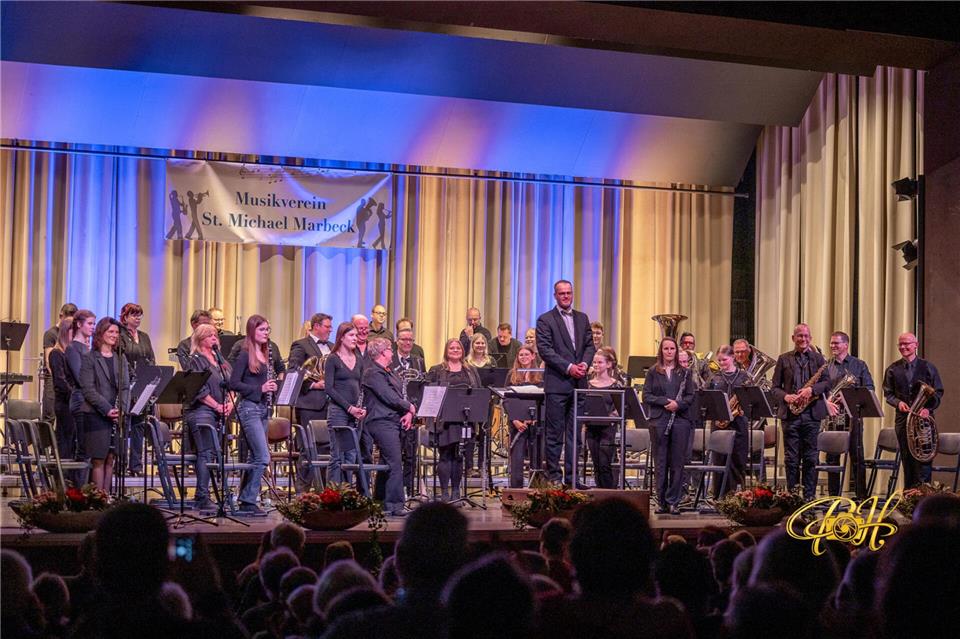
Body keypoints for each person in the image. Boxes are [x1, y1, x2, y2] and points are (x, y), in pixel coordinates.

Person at [536, 280, 597, 485]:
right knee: (554, 434)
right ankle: (554, 477)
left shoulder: (582, 318)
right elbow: (546, 351)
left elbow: (590, 345)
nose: (565, 296)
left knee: (575, 435)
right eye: (561, 293)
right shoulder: (545, 320)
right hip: (557, 384)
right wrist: (570, 367)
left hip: (579, 384)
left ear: (572, 294)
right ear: (555, 296)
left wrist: (584, 364)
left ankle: (572, 478)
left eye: (568, 293)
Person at [229, 315, 283, 515]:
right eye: (262, 330)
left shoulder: (266, 353)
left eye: (268, 330)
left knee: (254, 456)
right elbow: (234, 383)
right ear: (252, 331)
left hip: (262, 409)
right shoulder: (244, 354)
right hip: (249, 408)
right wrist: (260, 388)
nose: (266, 333)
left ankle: (246, 501)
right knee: (262, 456)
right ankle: (249, 499)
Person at [770, 324, 831, 500]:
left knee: (811, 458)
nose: (803, 339)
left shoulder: (819, 359)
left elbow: (827, 383)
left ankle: (809, 498)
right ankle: (793, 496)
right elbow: (774, 388)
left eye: (806, 336)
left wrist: (811, 391)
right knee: (791, 459)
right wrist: (786, 396)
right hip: (790, 415)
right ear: (793, 338)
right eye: (799, 336)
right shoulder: (784, 359)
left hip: (812, 415)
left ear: (810, 338)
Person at [362, 337, 417, 516]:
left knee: (387, 461)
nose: (392, 352)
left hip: (393, 420)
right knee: (394, 461)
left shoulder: (389, 372)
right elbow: (388, 396)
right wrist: (408, 407)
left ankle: (381, 501)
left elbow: (401, 394)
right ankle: (395, 504)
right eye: (390, 349)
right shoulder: (372, 373)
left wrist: (408, 413)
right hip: (380, 422)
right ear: (382, 352)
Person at [882, 332, 944, 488]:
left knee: (924, 459)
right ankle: (909, 498)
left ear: (915, 345)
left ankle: (924, 498)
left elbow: (938, 392)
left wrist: (928, 409)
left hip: (923, 421)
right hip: (903, 421)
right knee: (907, 459)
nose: (903, 347)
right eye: (900, 344)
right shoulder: (892, 369)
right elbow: (888, 394)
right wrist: (898, 403)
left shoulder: (928, 367)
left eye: (907, 344)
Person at [643, 337, 696, 514]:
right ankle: (661, 502)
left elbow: (690, 396)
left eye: (672, 348)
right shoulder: (653, 371)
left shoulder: (685, 373)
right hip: (659, 420)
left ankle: (673, 501)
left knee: (677, 462)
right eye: (666, 348)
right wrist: (665, 402)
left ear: (676, 350)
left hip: (680, 421)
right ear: (661, 351)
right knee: (660, 462)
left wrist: (677, 405)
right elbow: (647, 396)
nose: (669, 352)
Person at [78, 317, 131, 493]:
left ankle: (107, 498)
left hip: (116, 415)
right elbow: (88, 389)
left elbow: (124, 387)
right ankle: (98, 500)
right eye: (111, 332)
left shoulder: (120, 358)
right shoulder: (90, 358)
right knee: (98, 459)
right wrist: (107, 409)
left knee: (111, 459)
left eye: (116, 332)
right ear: (101, 333)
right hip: (95, 414)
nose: (115, 335)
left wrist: (121, 409)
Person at [184, 324, 234, 511]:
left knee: (216, 452)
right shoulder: (195, 360)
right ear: (199, 339)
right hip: (201, 411)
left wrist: (230, 402)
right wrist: (217, 405)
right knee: (206, 452)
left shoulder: (221, 361)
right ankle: (201, 496)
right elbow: (199, 389)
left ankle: (218, 494)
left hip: (221, 412)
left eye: (215, 335)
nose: (214, 338)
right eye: (209, 335)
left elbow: (231, 384)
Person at [426, 338, 482, 502]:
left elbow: (478, 392)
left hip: (464, 420)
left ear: (463, 351)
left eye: (458, 348)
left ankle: (456, 491)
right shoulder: (437, 370)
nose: (455, 350)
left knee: (459, 456)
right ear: (446, 350)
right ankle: (444, 492)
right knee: (445, 455)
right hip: (444, 421)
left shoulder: (470, 371)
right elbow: (430, 393)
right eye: (452, 347)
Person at [823, 331, 875, 498]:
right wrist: (828, 400)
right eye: (831, 343)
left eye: (836, 343)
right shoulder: (825, 365)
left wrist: (846, 397)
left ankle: (861, 496)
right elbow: (820, 389)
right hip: (832, 416)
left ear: (846, 344)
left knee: (857, 456)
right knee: (831, 458)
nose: (833, 346)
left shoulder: (859, 365)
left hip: (852, 416)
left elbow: (869, 388)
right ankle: (833, 496)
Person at [324, 322, 367, 485]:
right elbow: (329, 389)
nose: (355, 338)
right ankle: (333, 494)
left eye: (356, 335)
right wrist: (349, 408)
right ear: (341, 338)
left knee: (350, 456)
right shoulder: (333, 359)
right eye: (351, 335)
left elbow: (362, 387)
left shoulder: (359, 359)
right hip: (338, 412)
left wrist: (362, 409)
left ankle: (347, 493)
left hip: (355, 413)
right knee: (337, 456)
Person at [706, 345, 750, 496]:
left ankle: (737, 496)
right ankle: (720, 496)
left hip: (739, 423)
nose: (722, 363)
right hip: (719, 424)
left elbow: (752, 400)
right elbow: (707, 400)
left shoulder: (744, 377)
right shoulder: (714, 378)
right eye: (719, 360)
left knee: (738, 461)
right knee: (719, 459)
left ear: (732, 358)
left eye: (724, 359)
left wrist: (744, 408)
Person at [118, 303, 155, 477]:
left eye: (140, 315)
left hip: (143, 385)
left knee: (139, 425)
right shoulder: (120, 335)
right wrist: (134, 377)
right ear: (125, 317)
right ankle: (122, 463)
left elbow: (151, 358)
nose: (138, 318)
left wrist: (149, 377)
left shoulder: (144, 336)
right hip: (128, 384)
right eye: (134, 315)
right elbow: (122, 358)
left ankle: (136, 465)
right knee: (125, 425)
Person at [48, 318, 84, 486]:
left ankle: (72, 481)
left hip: (72, 404)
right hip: (64, 404)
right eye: (73, 331)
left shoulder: (71, 353)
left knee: (73, 442)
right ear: (66, 332)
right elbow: (60, 382)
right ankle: (63, 481)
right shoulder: (56, 353)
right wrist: (78, 395)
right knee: (66, 442)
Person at [584, 347, 624, 489]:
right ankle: (600, 494)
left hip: (608, 428)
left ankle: (608, 493)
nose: (596, 365)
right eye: (594, 362)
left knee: (604, 462)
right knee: (596, 464)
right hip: (591, 427)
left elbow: (622, 407)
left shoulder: (616, 385)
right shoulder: (587, 384)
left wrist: (614, 414)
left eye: (600, 362)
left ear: (608, 364)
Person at [392, 327, 426, 496]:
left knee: (411, 456)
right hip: (395, 412)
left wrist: (415, 410)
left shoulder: (417, 361)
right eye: (404, 339)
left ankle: (410, 490)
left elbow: (421, 387)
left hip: (412, 413)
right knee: (396, 454)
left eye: (410, 340)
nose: (407, 343)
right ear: (397, 341)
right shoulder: (390, 360)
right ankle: (397, 491)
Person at [506, 345, 544, 488]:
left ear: (533, 356)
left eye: (526, 354)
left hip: (536, 422)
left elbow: (545, 398)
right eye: (520, 355)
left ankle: (536, 490)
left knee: (537, 458)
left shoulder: (541, 374)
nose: (523, 357)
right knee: (517, 459)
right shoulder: (511, 374)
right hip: (517, 424)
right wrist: (515, 419)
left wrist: (535, 417)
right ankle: (516, 490)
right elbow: (506, 399)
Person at [66, 309, 96, 475]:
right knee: (83, 449)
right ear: (79, 324)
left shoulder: (86, 348)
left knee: (90, 450)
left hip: (89, 401)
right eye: (90, 323)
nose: (93, 327)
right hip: (80, 402)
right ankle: (78, 493)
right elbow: (80, 377)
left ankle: (89, 491)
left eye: (94, 324)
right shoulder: (73, 348)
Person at [42, 303, 77, 424]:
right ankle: (46, 443)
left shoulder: (73, 333)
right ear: (61, 316)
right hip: (53, 379)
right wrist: (59, 379)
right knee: (49, 415)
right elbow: (49, 361)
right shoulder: (51, 333)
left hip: (66, 380)